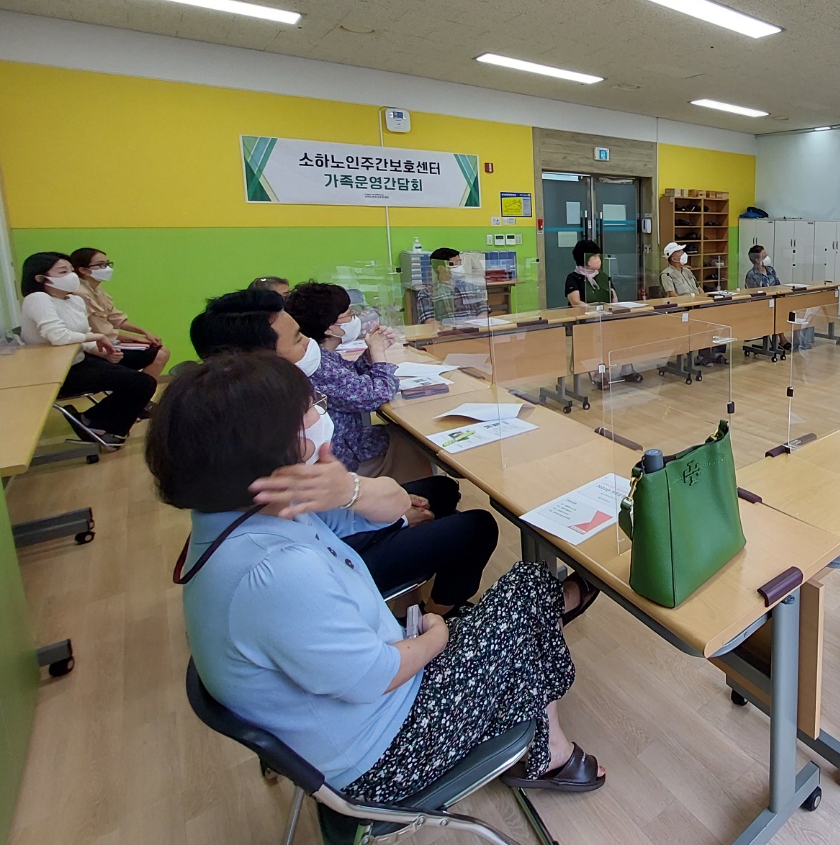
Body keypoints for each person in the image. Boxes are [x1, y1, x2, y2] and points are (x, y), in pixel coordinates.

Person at [155, 352, 606, 804]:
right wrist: (437, 637)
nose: (321, 416)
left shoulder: (248, 511)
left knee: (527, 602)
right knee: (530, 591)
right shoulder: (276, 573)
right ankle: (551, 749)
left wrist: (348, 488)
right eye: (309, 411)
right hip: (387, 751)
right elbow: (375, 677)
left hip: (369, 703)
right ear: (273, 448)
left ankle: (543, 699)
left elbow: (392, 508)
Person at [191, 289, 500, 616]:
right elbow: (319, 536)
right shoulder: (261, 445)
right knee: (478, 526)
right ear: (261, 360)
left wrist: (383, 510)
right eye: (297, 339)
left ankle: (427, 577)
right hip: (335, 557)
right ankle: (437, 615)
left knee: (441, 489)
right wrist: (393, 520)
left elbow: (322, 514)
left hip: (329, 523)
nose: (308, 343)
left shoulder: (243, 418)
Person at [283, 281, 431, 483]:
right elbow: (377, 395)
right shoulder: (317, 366)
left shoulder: (321, 355)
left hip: (347, 442)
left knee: (406, 435)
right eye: (349, 313)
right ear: (330, 329)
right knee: (415, 441)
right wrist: (378, 353)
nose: (356, 318)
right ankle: (418, 493)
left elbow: (348, 378)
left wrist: (370, 354)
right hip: (345, 456)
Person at [19, 252, 156, 445]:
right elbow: (59, 336)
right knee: (140, 383)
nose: (71, 275)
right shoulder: (38, 299)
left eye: (71, 270)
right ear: (41, 278)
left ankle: (92, 420)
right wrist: (98, 338)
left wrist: (102, 351)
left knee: (146, 374)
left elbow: (84, 335)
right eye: (63, 271)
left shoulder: (74, 300)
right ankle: (98, 424)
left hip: (79, 360)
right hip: (54, 372)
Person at [69, 247, 170, 380]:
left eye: (108, 264)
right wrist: (135, 338)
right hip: (95, 347)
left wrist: (144, 332)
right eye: (101, 265)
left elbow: (117, 318)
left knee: (161, 350)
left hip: (108, 340)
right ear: (83, 270)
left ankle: (142, 389)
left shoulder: (97, 289)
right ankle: (141, 390)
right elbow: (102, 331)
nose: (107, 268)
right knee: (160, 354)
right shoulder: (80, 293)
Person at [660, 242, 722, 365]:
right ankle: (703, 356)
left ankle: (711, 353)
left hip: (697, 306)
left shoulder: (687, 271)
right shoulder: (666, 274)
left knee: (716, 321)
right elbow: (672, 295)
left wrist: (705, 300)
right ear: (674, 258)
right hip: (682, 310)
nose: (684, 254)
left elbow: (699, 289)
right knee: (702, 325)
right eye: (680, 252)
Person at [414, 248, 488, 324]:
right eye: (453, 264)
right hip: (446, 330)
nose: (459, 267)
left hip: (473, 328)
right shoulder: (427, 294)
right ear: (441, 268)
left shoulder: (472, 287)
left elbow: (484, 311)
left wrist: (473, 324)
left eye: (459, 262)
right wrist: (454, 327)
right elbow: (429, 321)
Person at [564, 239, 611, 307]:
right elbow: (576, 302)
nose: (598, 259)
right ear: (585, 258)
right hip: (584, 313)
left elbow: (613, 297)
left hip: (605, 312)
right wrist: (594, 310)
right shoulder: (573, 278)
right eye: (594, 256)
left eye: (598, 255)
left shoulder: (603, 276)